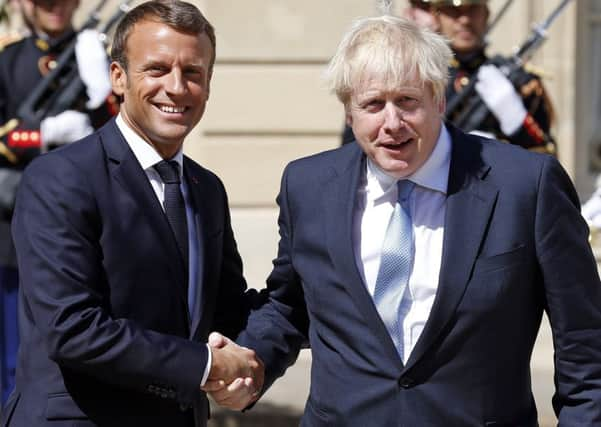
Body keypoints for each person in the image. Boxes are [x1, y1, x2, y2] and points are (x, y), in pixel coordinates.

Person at [211, 15, 601, 425]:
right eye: (373, 104)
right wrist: (251, 365)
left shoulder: (526, 186)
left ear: (439, 98)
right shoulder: (307, 186)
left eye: (408, 101)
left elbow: (585, 344)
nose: (391, 123)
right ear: (349, 112)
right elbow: (291, 306)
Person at [1, 1, 263, 426]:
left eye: (193, 72)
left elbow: (224, 314)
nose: (177, 87)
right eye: (156, 70)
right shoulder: (61, 178)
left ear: (209, 83)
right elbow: (73, 329)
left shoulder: (206, 188)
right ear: (118, 78)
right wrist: (205, 365)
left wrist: (309, 306)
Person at [0, 0, 118, 406]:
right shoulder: (9, 58)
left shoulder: (98, 55)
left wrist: (102, 92)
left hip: (86, 221)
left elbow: (122, 129)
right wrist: (43, 133)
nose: (55, 6)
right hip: (13, 229)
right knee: (13, 358)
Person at [431, 0, 556, 154]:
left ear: (486, 14)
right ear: (437, 17)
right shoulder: (423, 79)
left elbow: (549, 160)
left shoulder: (523, 83)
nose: (465, 19)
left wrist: (517, 121)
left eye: (473, 9)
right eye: (454, 11)